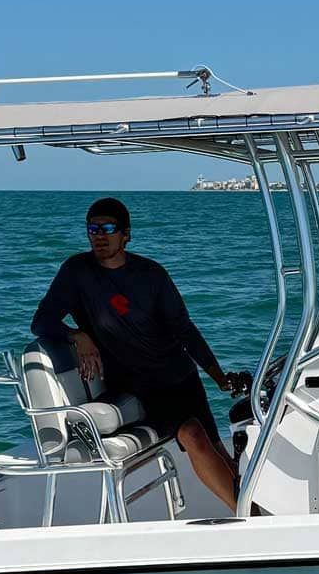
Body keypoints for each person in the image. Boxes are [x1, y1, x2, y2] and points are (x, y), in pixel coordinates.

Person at [30, 197, 246, 511]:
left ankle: (251, 515)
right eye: (93, 229)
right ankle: (249, 518)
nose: (99, 236)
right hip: (135, 385)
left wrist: (218, 378)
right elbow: (41, 321)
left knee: (217, 450)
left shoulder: (151, 274)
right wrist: (77, 335)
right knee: (193, 435)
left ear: (126, 234)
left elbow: (185, 331)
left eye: (108, 228)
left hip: (180, 376)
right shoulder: (77, 272)